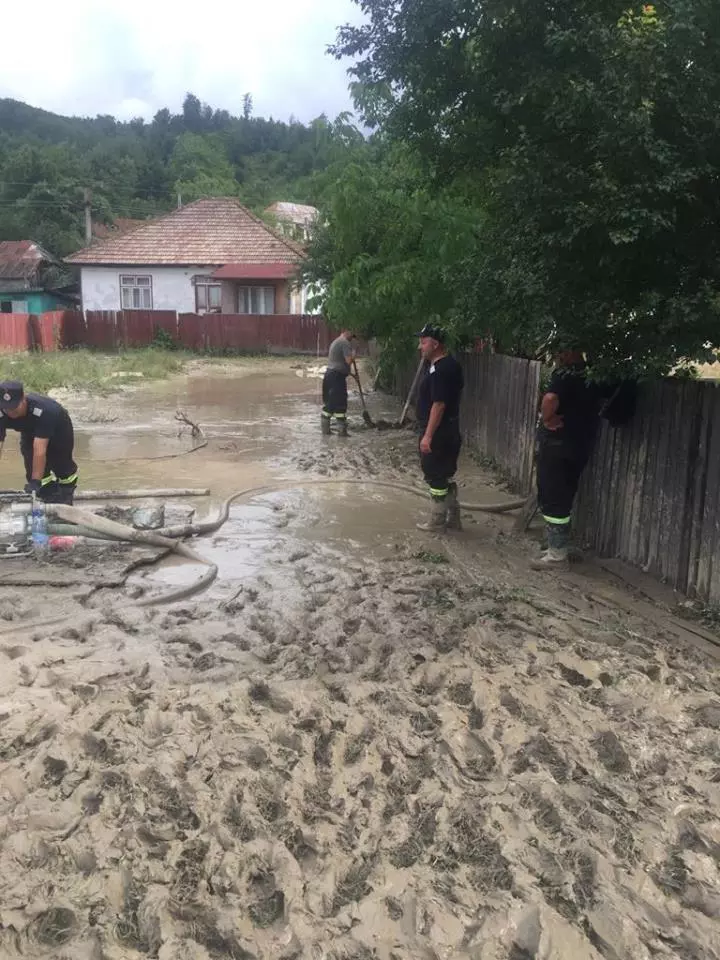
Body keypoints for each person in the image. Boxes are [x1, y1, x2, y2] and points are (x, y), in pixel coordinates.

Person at [532, 349, 601, 568]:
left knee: (553, 496)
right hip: (580, 445)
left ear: (569, 352)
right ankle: (558, 544)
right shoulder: (592, 376)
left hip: (558, 445)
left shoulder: (564, 375)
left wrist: (546, 419)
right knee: (565, 495)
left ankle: (556, 555)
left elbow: (551, 398)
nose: (557, 355)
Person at [415, 324, 464, 532]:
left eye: (423, 342)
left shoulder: (440, 370)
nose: (420, 347)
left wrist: (427, 436)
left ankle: (437, 520)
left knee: (435, 475)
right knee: (444, 474)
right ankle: (453, 518)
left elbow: (439, 404)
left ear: (435, 344)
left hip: (439, 431)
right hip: (449, 429)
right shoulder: (448, 365)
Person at [0, 381, 78, 504]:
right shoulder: (1, 412)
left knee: (62, 467)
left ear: (23, 398)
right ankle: (47, 495)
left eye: (14, 407)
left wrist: (36, 481)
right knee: (32, 468)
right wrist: (35, 482)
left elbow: (40, 450)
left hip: (58, 430)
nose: (10, 412)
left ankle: (65, 495)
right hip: (29, 431)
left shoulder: (45, 410)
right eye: (6, 408)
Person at [321, 329, 356, 437]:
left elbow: (339, 363)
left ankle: (328, 432)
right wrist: (354, 353)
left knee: (332, 403)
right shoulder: (344, 342)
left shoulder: (337, 341)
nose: (352, 339)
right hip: (336, 377)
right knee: (338, 403)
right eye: (352, 336)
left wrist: (351, 374)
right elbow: (348, 361)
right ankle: (340, 432)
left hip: (330, 375)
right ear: (347, 332)